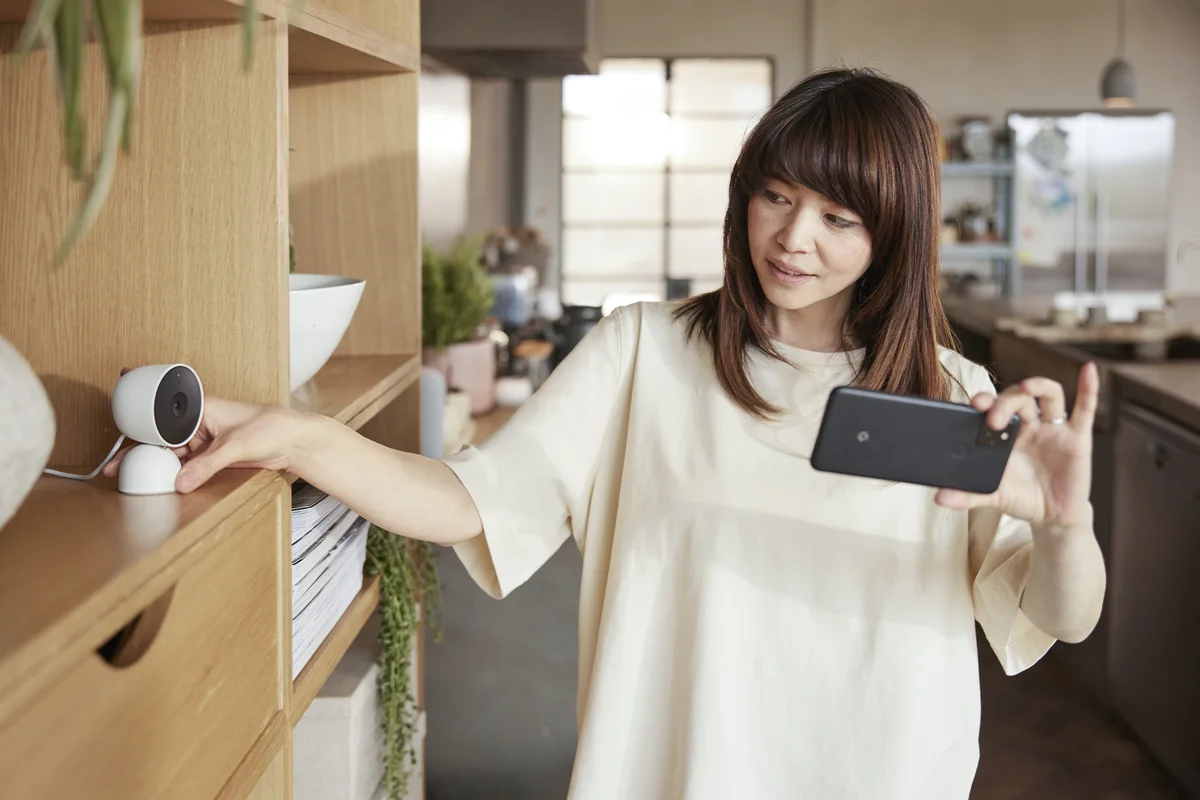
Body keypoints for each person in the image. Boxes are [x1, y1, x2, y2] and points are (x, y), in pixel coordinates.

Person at [107, 68, 1105, 798]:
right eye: (776, 196)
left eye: (840, 217)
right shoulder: (647, 352)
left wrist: (1064, 520)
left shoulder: (956, 395)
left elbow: (1059, 616)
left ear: (895, 232)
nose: (794, 239)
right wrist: (295, 436)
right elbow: (468, 499)